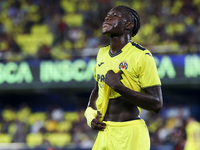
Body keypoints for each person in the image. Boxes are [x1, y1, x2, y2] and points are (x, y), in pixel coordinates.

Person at [84, 5, 163, 150]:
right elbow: (97, 91)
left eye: (115, 15)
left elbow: (156, 104)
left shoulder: (142, 56)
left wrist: (118, 87)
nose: (107, 17)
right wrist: (90, 116)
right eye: (107, 15)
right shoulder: (101, 53)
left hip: (131, 133)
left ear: (129, 25)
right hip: (105, 131)